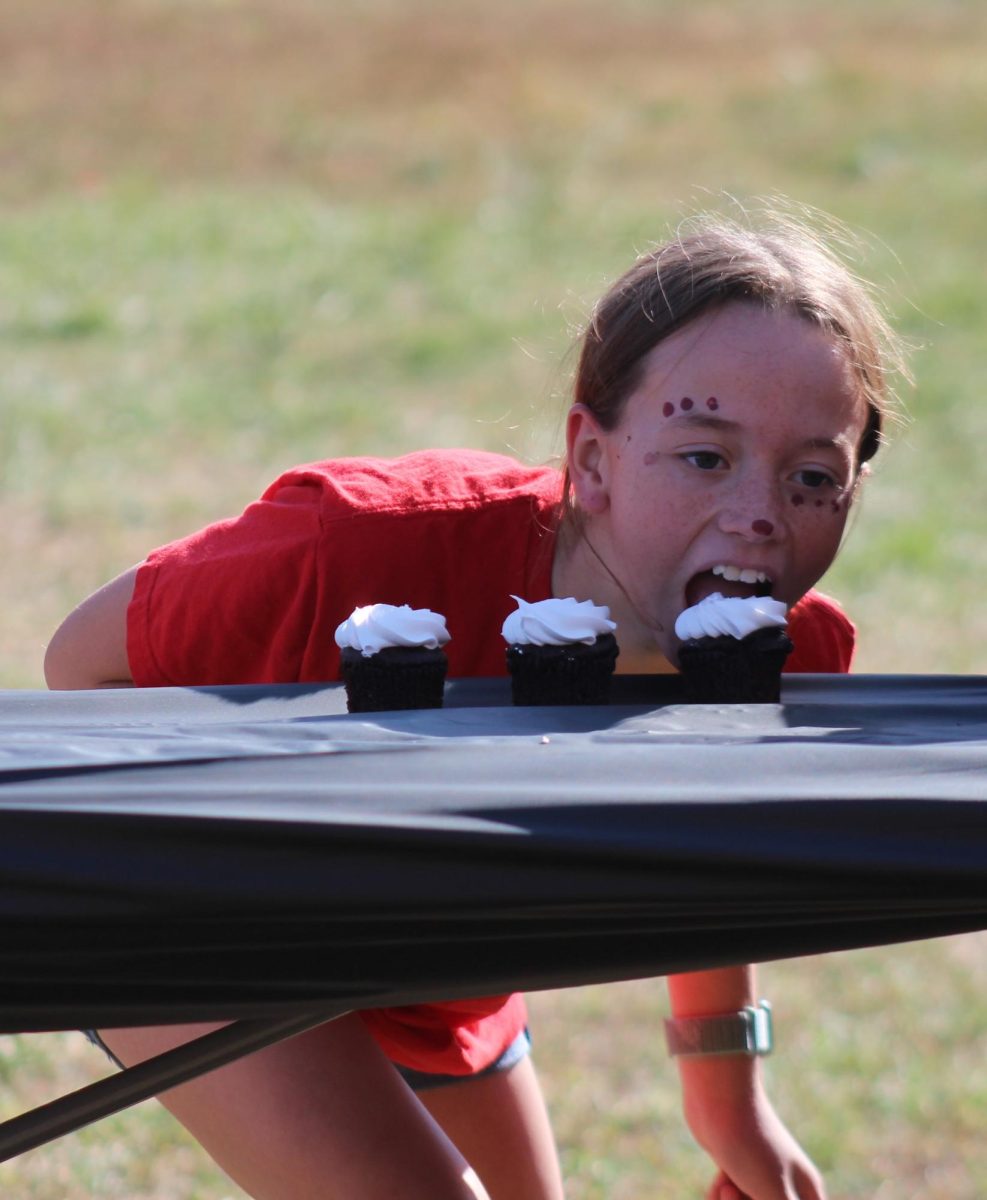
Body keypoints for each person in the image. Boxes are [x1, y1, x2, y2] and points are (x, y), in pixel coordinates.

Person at [44, 207, 902, 1200]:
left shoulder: (794, 656)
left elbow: (713, 849)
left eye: (811, 477)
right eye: (706, 455)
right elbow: (81, 666)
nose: (759, 513)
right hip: (200, 928)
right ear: (591, 461)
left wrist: (728, 1096)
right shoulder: (359, 551)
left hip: (437, 974)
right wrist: (276, 865)